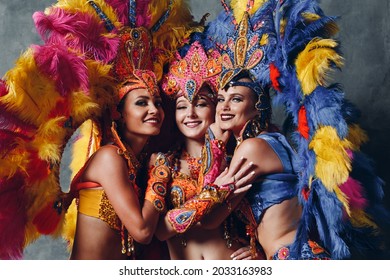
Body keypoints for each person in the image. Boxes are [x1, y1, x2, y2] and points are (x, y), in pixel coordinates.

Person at [0, 0, 197, 260]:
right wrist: (161, 174)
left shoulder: (135, 164)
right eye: (141, 103)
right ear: (120, 114)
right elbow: (142, 231)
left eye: (157, 102)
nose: (154, 110)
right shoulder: (109, 157)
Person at [198, 0, 390, 260]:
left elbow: (209, 219)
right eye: (221, 99)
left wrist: (215, 140)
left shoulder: (252, 148)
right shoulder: (273, 141)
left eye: (236, 99)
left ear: (257, 108)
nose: (224, 107)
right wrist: (257, 252)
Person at [149, 37, 257, 260]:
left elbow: (265, 214)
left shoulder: (237, 156)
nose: (190, 114)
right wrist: (214, 192)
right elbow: (159, 230)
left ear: (215, 108)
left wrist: (259, 251)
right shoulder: (162, 162)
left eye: (200, 104)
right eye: (182, 107)